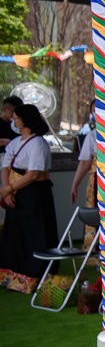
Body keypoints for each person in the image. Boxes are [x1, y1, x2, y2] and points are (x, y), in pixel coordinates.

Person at [0, 104, 57, 293]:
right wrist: (7, 191)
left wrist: (9, 188)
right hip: (16, 194)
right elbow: (5, 167)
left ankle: (35, 276)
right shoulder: (15, 142)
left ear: (25, 120)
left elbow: (33, 174)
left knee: (34, 232)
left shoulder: (38, 143)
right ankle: (14, 277)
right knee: (15, 234)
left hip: (34, 194)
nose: (14, 121)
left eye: (17, 118)